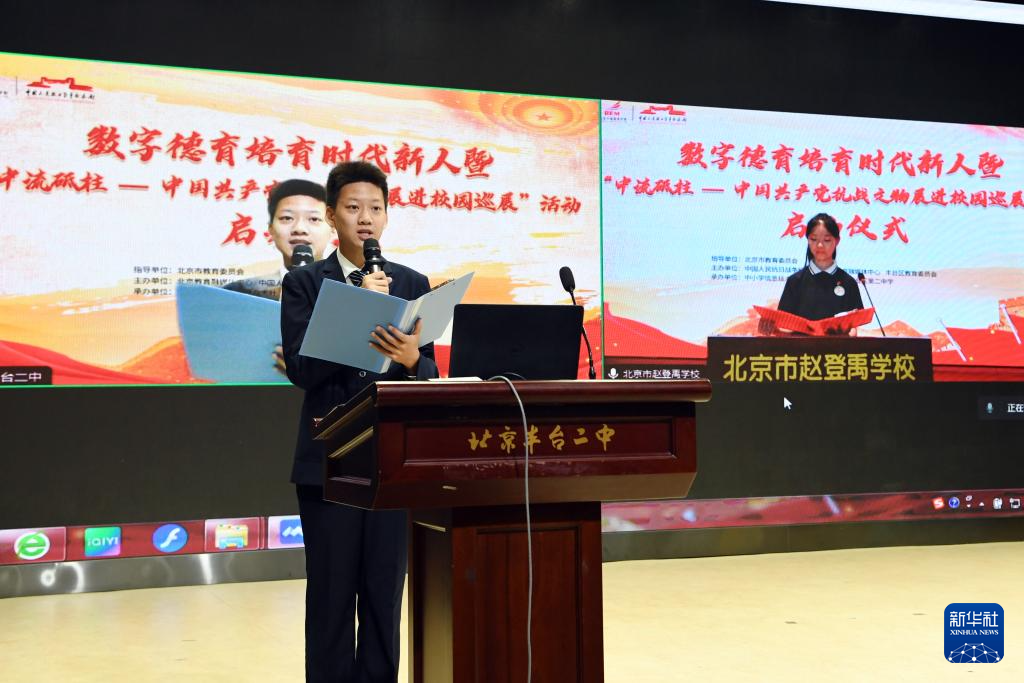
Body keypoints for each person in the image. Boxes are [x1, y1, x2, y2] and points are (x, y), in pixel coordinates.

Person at [280, 161, 438, 682]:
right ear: (331, 216)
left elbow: (429, 375)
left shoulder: (411, 283)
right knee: (330, 598)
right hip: (329, 462)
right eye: (352, 208)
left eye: (375, 208)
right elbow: (302, 370)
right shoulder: (305, 283)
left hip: (392, 463)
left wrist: (413, 360)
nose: (365, 218)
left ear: (387, 216)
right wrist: (359, 310)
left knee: (383, 595)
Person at [224, 179, 332, 301]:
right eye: (287, 218)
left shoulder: (346, 291)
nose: (299, 229)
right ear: (271, 229)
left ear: (333, 227)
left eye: (314, 219)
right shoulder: (237, 294)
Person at [774, 212, 863, 332]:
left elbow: (856, 327)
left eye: (826, 240)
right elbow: (783, 326)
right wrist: (773, 329)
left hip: (839, 344)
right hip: (801, 345)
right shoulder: (795, 281)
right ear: (808, 240)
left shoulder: (848, 282)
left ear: (837, 241)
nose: (820, 245)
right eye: (814, 239)